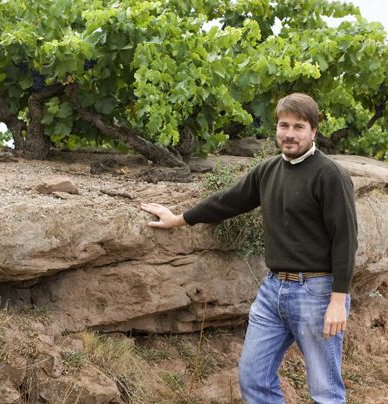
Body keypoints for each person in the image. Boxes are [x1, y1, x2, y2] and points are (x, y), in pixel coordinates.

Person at [140, 93, 358, 403]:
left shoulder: (330, 175)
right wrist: (179, 219)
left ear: (313, 131)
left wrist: (339, 299)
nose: (290, 134)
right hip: (272, 292)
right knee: (253, 378)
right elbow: (227, 202)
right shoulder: (267, 170)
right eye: (284, 125)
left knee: (325, 392)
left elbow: (346, 240)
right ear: (276, 127)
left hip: (317, 293)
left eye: (299, 126)